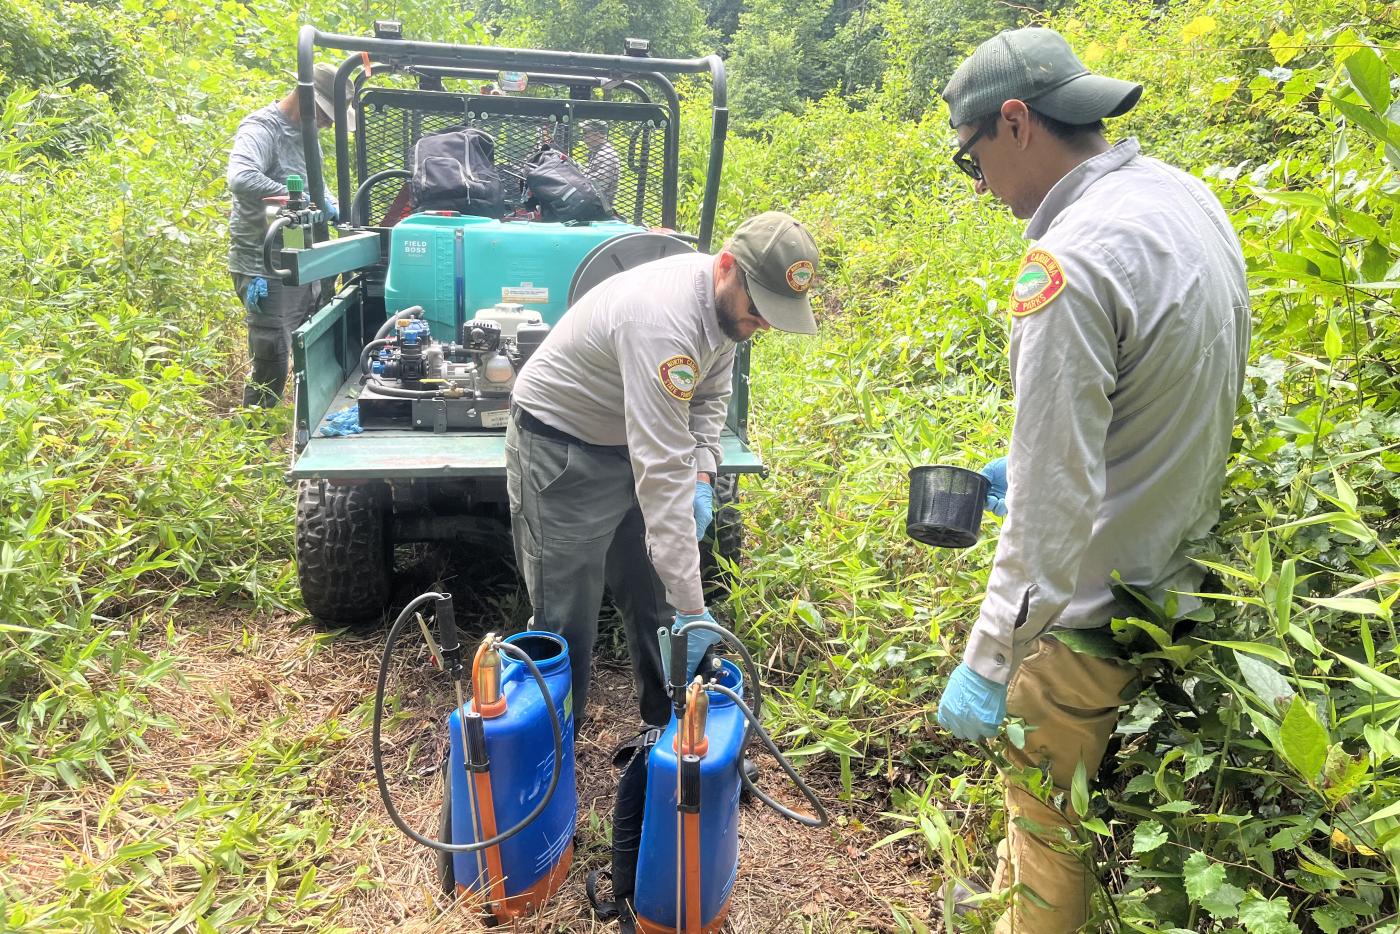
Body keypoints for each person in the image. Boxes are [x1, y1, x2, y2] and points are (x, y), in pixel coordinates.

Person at [933, 27, 1250, 933]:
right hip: (1176, 576)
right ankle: (998, 910)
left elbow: (1051, 508)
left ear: (1019, 123)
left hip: (1083, 617)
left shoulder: (1065, 264)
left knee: (1047, 831)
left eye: (973, 162)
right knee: (1043, 808)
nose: (982, 186)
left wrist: (992, 658)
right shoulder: (1181, 198)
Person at [507, 212, 820, 727]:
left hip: (629, 438)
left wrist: (701, 475)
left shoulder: (724, 314)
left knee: (658, 600)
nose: (762, 323)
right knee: (566, 622)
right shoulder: (662, 321)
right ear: (726, 267)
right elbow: (659, 469)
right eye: (759, 307)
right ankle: (550, 767)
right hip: (563, 445)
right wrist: (696, 607)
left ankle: (672, 736)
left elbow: (710, 397)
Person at [226, 62, 347, 407]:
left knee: (312, 337)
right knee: (272, 355)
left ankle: (301, 416)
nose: (328, 122)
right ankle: (254, 434)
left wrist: (329, 203)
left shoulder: (309, 135)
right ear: (306, 97)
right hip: (265, 265)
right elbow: (241, 177)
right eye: (325, 113)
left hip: (301, 259)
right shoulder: (263, 128)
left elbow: (316, 185)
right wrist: (296, 199)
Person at [581, 120, 621, 213]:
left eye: (586, 132)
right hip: (591, 207)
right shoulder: (597, 153)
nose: (584, 137)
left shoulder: (606, 155)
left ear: (598, 134)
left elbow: (597, 188)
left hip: (598, 210)